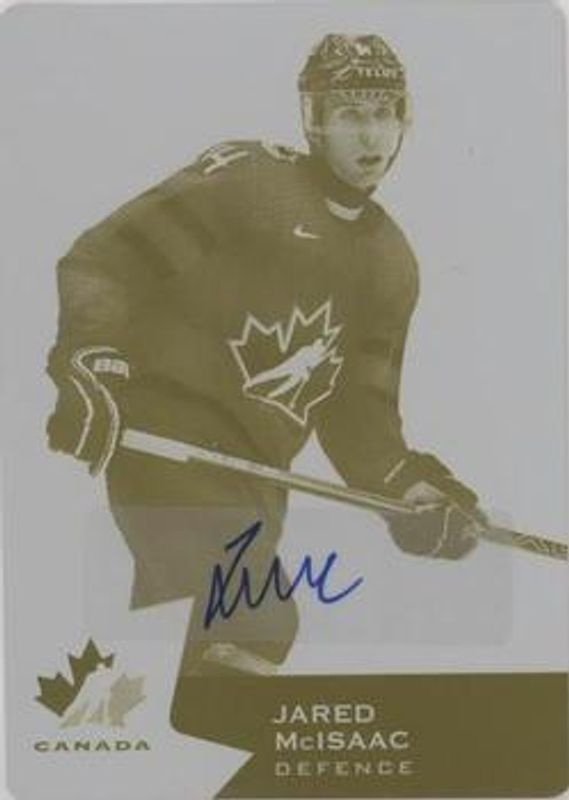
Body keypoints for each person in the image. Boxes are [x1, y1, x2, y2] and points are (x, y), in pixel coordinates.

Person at [46, 33, 486, 737]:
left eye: (384, 112)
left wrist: (413, 491)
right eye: (350, 114)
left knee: (216, 642)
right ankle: (219, 741)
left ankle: (186, 758)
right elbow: (107, 262)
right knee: (256, 615)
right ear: (314, 119)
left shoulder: (389, 264)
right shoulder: (250, 185)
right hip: (166, 442)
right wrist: (88, 362)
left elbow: (359, 419)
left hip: (255, 482)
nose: (371, 135)